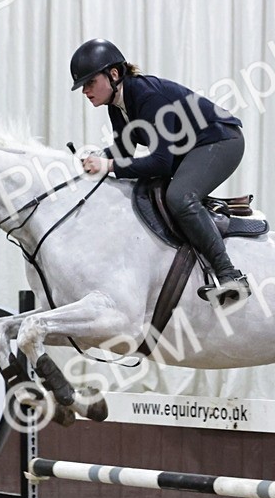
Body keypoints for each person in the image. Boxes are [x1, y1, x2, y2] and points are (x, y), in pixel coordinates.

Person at [70, 38, 251, 306]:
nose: (85, 91)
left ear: (114, 74)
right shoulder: (116, 105)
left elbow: (160, 162)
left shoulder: (148, 97)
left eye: (90, 82)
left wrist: (107, 165)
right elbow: (124, 150)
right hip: (191, 147)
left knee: (179, 197)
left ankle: (229, 274)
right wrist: (98, 157)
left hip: (222, 140)